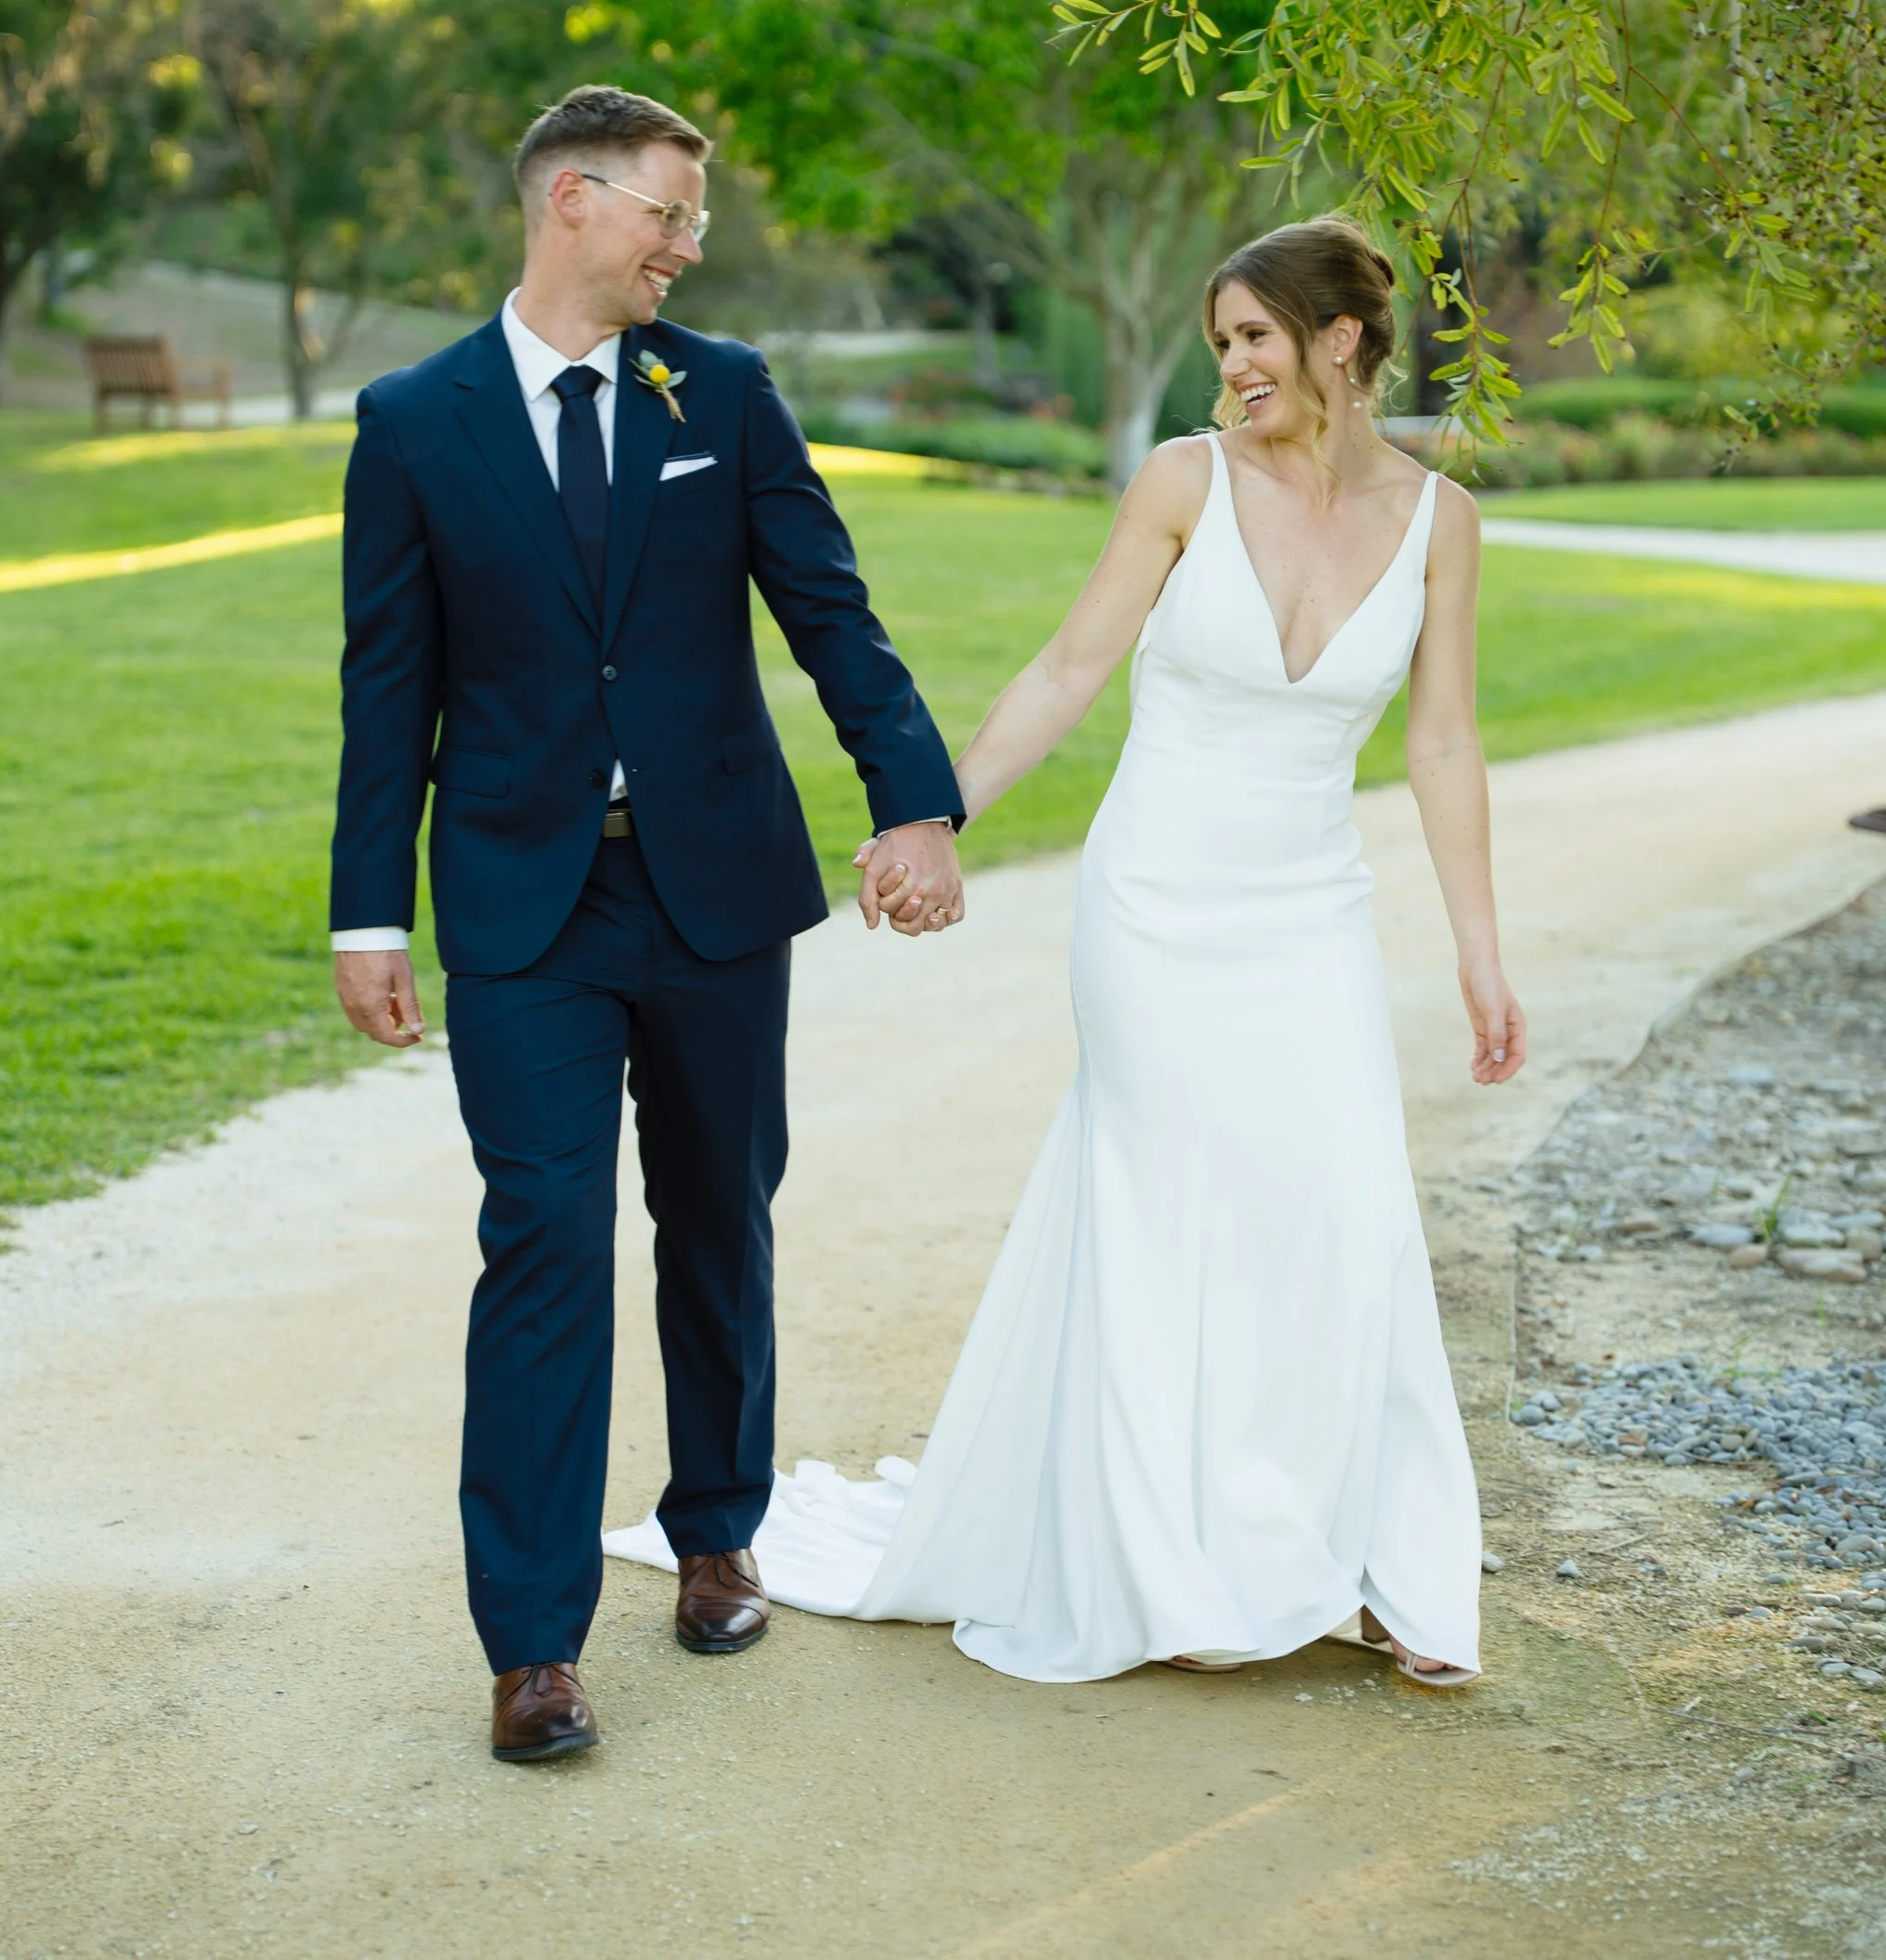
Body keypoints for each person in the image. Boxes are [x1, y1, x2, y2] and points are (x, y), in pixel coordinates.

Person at [609, 212, 1527, 1686]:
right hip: (1156, 907)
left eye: (1254, 338)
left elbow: (1445, 740)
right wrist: (932, 815)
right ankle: (1161, 1564)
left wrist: (1482, 953)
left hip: (1312, 917)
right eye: (1219, 339)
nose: (1230, 366)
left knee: (1338, 1211)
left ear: (1341, 341)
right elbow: (1067, 667)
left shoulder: (1443, 522)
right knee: (1167, 1208)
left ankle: (1375, 1559)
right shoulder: (1182, 480)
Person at [330, 85, 966, 1763]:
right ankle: (532, 1640)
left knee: (715, 1214)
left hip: (712, 894)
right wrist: (362, 914)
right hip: (524, 905)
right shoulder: (413, 420)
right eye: (670, 215)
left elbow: (831, 608)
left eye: (694, 223)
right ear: (573, 204)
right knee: (542, 1236)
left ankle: (714, 1529)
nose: (692, 245)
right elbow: (384, 689)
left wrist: (912, 795)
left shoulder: (725, 394)